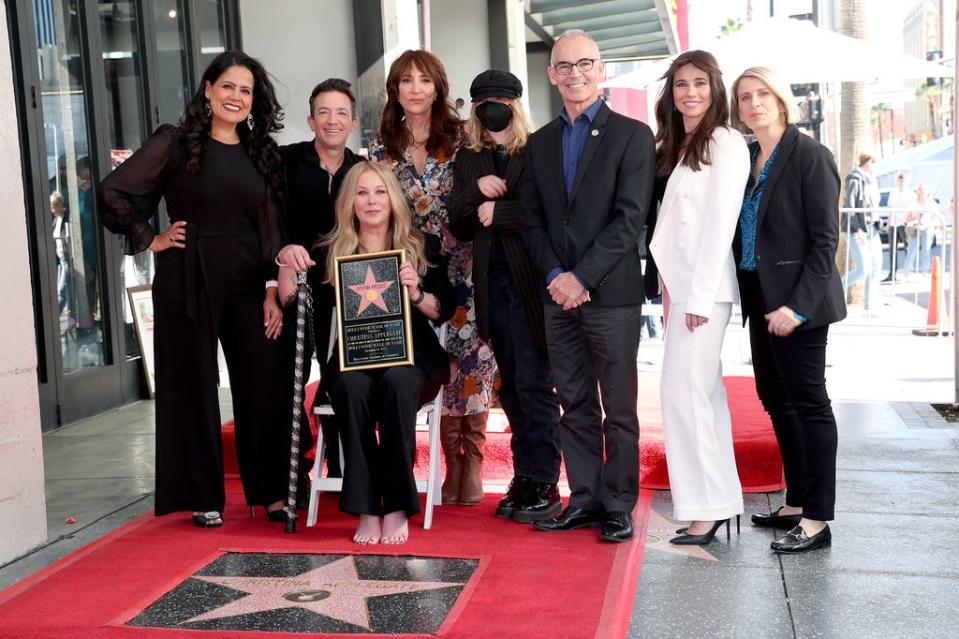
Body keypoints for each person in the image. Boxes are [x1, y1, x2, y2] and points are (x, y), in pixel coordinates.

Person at [97, 51, 290, 528]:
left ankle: (272, 492)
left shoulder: (260, 151)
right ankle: (202, 494)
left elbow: (270, 227)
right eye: (228, 86)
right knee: (192, 383)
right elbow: (112, 192)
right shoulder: (176, 142)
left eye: (246, 91)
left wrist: (271, 288)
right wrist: (151, 238)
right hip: (188, 270)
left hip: (249, 279)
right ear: (208, 89)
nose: (236, 97)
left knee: (263, 381)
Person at [522, 29, 655, 543]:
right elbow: (531, 221)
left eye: (585, 63)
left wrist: (582, 277)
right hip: (558, 297)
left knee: (618, 408)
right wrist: (557, 278)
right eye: (564, 66)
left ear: (601, 69)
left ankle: (619, 503)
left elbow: (630, 219)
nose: (575, 73)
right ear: (552, 74)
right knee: (573, 403)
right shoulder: (539, 143)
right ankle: (583, 498)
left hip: (612, 296)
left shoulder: (633, 135)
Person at [283, 161, 454, 545]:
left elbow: (444, 309)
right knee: (352, 387)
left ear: (392, 198)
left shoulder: (421, 246)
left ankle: (395, 505)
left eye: (379, 192)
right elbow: (293, 295)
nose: (372, 200)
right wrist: (289, 258)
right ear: (350, 202)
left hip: (412, 361)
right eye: (362, 193)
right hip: (354, 359)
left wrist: (416, 294)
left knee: (396, 381)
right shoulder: (331, 251)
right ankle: (365, 507)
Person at [368, 50, 496, 507]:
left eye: (424, 80)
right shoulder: (383, 144)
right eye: (406, 81)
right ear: (395, 90)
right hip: (409, 271)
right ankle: (447, 460)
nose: (416, 88)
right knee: (431, 358)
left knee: (471, 358)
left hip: (466, 263)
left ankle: (471, 462)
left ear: (438, 86)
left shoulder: (464, 137)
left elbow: (486, 184)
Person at [731, 66, 846, 553]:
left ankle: (818, 518)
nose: (754, 104)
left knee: (809, 402)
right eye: (744, 97)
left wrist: (797, 307)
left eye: (762, 95)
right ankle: (796, 500)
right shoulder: (749, 157)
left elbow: (825, 243)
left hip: (800, 300)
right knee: (774, 396)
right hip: (759, 292)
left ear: (781, 101)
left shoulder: (810, 156)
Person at [450, 69, 563, 523]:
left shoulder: (536, 150)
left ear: (516, 104)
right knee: (511, 388)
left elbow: (552, 215)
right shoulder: (470, 158)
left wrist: (503, 211)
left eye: (499, 99)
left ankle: (545, 478)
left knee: (535, 385)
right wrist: (476, 195)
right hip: (491, 290)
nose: (491, 108)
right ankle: (526, 474)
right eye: (482, 102)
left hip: (530, 286)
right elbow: (458, 222)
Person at [648, 50, 749, 545]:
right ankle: (716, 502)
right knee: (698, 396)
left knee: (686, 396)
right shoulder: (682, 143)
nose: (690, 92)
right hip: (684, 291)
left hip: (704, 293)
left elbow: (718, 226)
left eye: (699, 84)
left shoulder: (725, 142)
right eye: (681, 84)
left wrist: (698, 298)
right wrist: (673, 291)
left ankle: (707, 509)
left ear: (715, 89)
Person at [275, 78, 364, 484]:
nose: (332, 121)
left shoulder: (361, 172)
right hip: (294, 289)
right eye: (324, 113)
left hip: (345, 293)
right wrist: (276, 272)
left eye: (341, 113)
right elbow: (265, 221)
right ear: (311, 120)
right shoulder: (284, 162)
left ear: (353, 122)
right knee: (287, 383)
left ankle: (343, 469)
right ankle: (292, 475)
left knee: (339, 378)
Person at [842, 152, 881, 309]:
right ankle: (831, 289)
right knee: (863, 269)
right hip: (857, 229)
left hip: (873, 228)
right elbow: (851, 207)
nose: (875, 166)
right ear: (868, 162)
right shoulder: (854, 179)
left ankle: (869, 305)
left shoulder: (871, 181)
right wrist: (859, 230)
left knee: (875, 267)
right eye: (873, 162)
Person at [882, 173, 915, 282]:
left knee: (908, 248)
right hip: (894, 224)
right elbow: (891, 208)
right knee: (892, 250)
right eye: (900, 181)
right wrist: (888, 224)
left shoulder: (910, 194)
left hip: (904, 223)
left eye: (903, 181)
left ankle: (909, 273)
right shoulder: (894, 192)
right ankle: (892, 274)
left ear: (907, 182)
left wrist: (907, 222)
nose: (901, 183)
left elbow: (912, 210)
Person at [903, 184, 938, 275]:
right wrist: (915, 216)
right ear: (917, 191)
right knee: (911, 251)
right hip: (914, 229)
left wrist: (927, 225)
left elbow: (934, 218)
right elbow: (907, 218)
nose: (921, 191)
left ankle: (925, 273)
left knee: (926, 251)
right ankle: (907, 273)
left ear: (927, 192)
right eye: (919, 189)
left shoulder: (932, 203)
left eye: (923, 189)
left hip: (927, 229)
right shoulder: (913, 203)